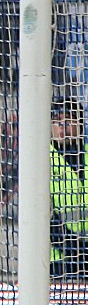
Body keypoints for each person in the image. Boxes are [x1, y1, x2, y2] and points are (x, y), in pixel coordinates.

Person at [50, 99, 88, 278]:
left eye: (68, 120)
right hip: (58, 257)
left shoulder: (85, 153)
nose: (63, 127)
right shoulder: (42, 158)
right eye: (57, 121)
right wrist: (66, 243)